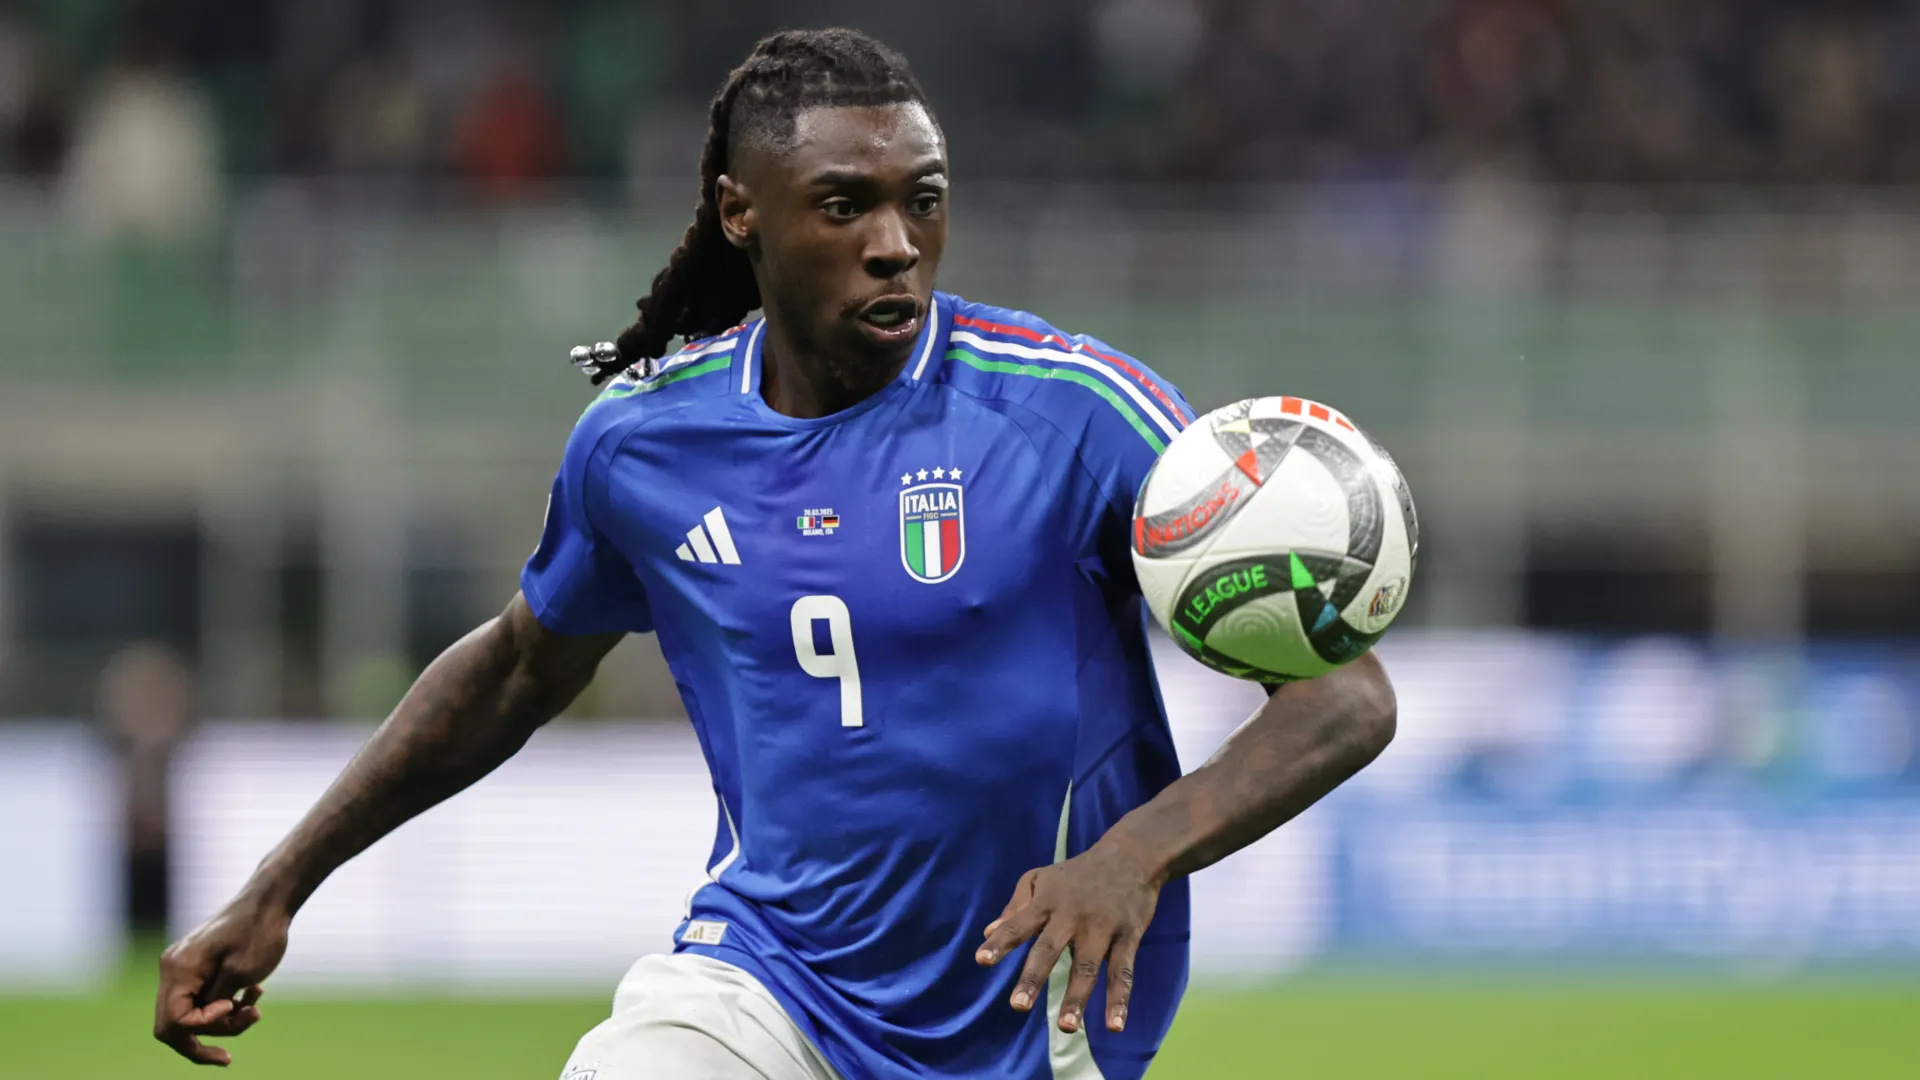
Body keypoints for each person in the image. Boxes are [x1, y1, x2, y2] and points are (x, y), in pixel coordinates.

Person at [153, 29, 1396, 1080]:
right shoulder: (644, 445)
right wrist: (277, 886)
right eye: (846, 204)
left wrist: (1133, 857)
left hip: (1037, 1008)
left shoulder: (1073, 413)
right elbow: (518, 669)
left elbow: (1345, 696)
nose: (897, 241)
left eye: (924, 197)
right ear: (739, 213)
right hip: (764, 987)